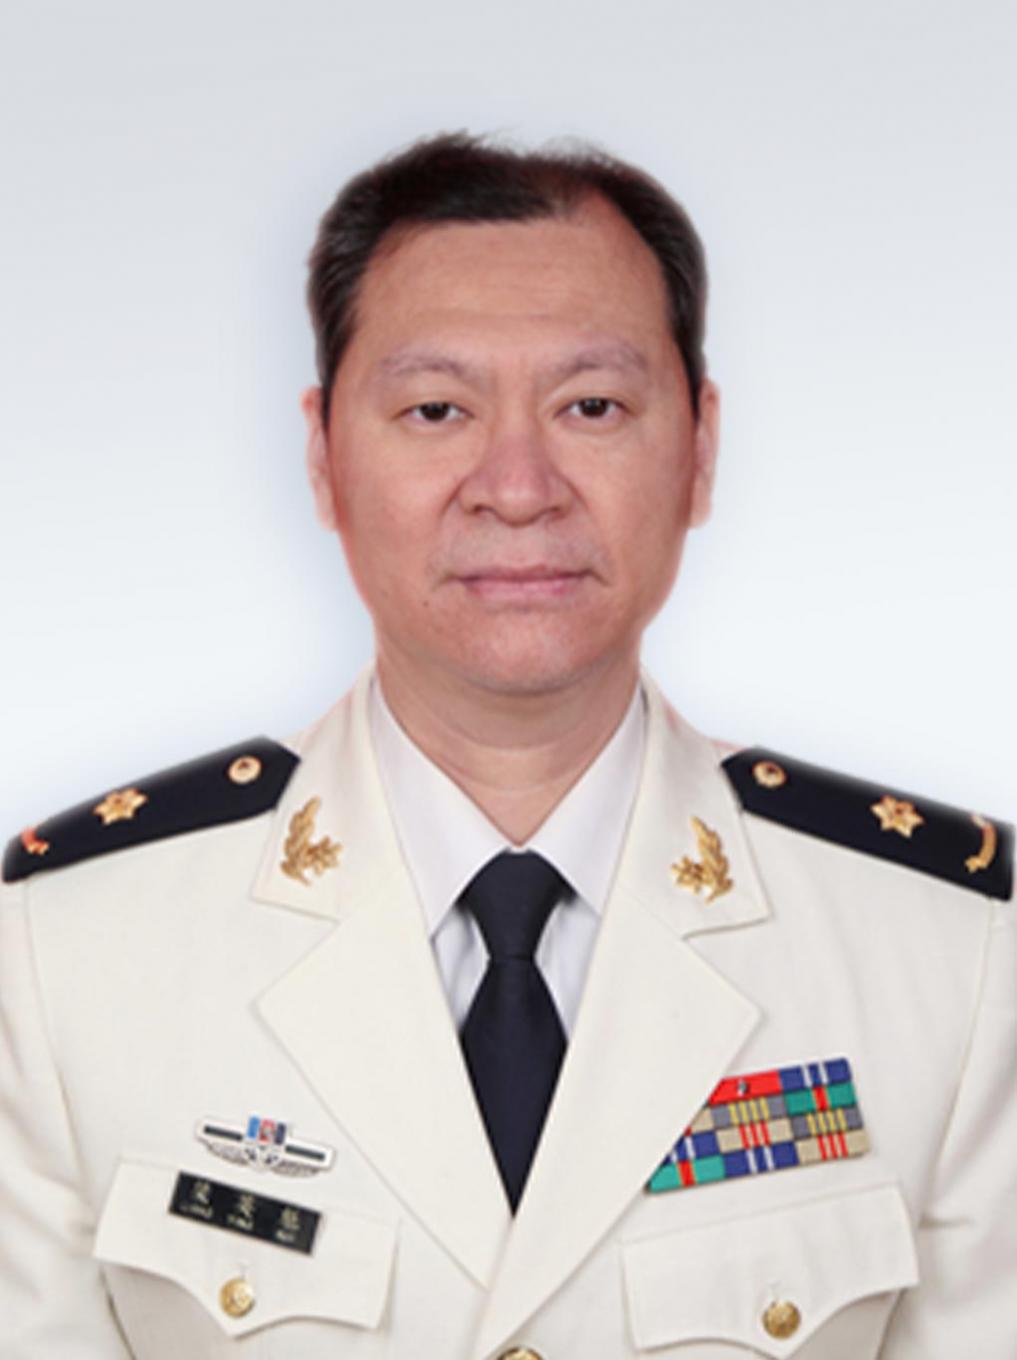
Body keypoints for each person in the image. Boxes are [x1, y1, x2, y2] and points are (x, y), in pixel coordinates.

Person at [0, 132, 1013, 1360]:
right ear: (324, 456)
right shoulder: (63, 953)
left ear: (699, 449)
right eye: (437, 410)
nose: (519, 486)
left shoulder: (952, 953)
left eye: (593, 406)